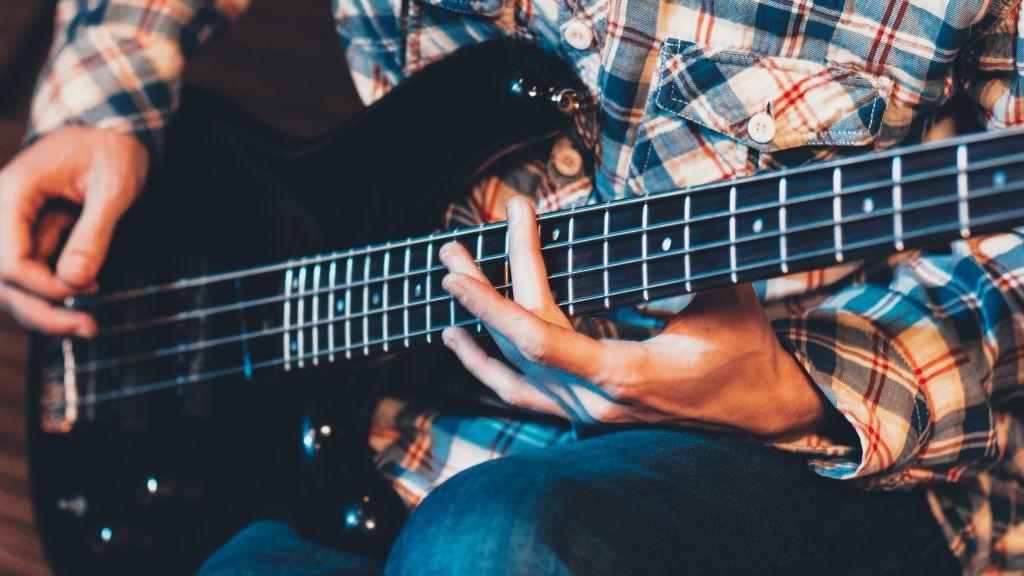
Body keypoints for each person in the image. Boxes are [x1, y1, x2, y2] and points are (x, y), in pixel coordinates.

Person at [0, 0, 1021, 573]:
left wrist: (793, 391)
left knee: (490, 544)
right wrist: (106, 93)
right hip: (387, 428)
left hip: (834, 461)